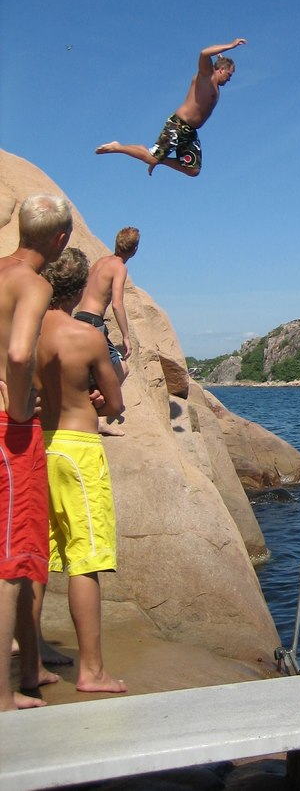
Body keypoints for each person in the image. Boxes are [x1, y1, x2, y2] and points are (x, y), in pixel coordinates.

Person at [35, 247, 127, 694]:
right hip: (78, 447)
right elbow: (114, 403)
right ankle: (92, 670)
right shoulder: (86, 337)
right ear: (79, 289)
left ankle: (32, 652)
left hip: (41, 445)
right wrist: (100, 400)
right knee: (86, 560)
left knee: (37, 554)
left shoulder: (27, 332)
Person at [0, 194, 72, 711]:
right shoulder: (35, 283)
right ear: (60, 239)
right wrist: (23, 401)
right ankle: (2, 697)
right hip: (12, 430)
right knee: (11, 564)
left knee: (24, 554)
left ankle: (30, 667)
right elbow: (20, 351)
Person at [95, 38, 247, 177]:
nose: (229, 79)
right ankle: (118, 147)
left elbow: (216, 61)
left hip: (190, 132)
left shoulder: (215, 84)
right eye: (229, 74)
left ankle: (159, 160)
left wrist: (220, 58)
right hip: (178, 125)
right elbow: (204, 53)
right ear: (221, 70)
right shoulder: (207, 76)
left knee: (193, 169)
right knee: (151, 158)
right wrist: (231, 45)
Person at [74, 227, 139, 436]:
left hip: (79, 318)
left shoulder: (100, 262)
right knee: (122, 368)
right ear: (135, 250)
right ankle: (99, 420)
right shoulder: (119, 267)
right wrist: (126, 336)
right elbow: (117, 304)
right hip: (94, 323)